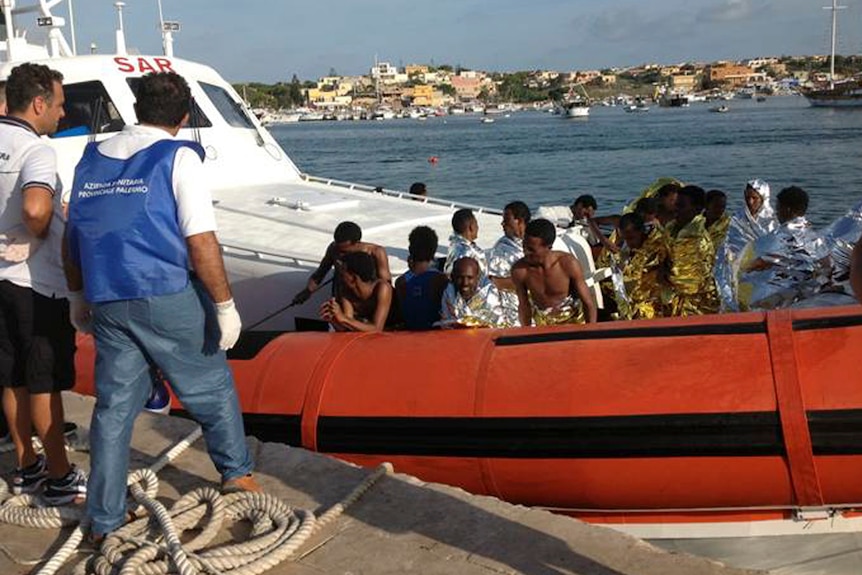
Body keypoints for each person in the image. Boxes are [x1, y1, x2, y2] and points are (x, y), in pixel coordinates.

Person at [64, 72, 259, 540]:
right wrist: (225, 305)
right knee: (210, 384)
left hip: (107, 297)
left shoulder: (89, 160)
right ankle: (236, 473)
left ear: (136, 108)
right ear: (184, 115)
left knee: (113, 409)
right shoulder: (178, 158)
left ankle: (105, 519)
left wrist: (76, 297)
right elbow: (201, 242)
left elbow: (72, 239)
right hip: (164, 292)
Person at [0, 63, 86, 506]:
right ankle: (58, 477)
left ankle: (25, 464)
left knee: (10, 376)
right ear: (37, 104)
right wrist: (34, 231)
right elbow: (36, 209)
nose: (62, 112)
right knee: (42, 381)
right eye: (58, 103)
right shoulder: (37, 150)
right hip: (34, 285)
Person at [737, 186, 832, 310]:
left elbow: (745, 268)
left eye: (777, 208)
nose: (776, 212)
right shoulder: (818, 239)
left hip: (776, 307)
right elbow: (827, 267)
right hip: (811, 302)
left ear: (786, 209)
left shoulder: (771, 241)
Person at [512, 219, 597, 326]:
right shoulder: (520, 271)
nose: (525, 252)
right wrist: (526, 334)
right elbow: (524, 306)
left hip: (574, 322)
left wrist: (591, 331)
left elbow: (588, 302)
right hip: (543, 325)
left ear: (549, 247)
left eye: (531, 249)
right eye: (524, 246)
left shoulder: (568, 264)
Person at [715, 179, 778, 311]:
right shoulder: (737, 219)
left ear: (763, 198)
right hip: (739, 271)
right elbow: (728, 244)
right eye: (747, 197)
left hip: (764, 272)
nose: (750, 202)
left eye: (754, 198)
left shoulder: (773, 221)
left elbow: (775, 250)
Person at [292, 221, 391, 305]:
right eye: (338, 247)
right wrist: (308, 291)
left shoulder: (377, 252)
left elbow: (386, 283)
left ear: (356, 243)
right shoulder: (334, 248)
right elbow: (320, 273)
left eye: (344, 251)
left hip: (366, 304)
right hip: (342, 300)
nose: (340, 253)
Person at [663, 185, 720, 316]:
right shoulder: (671, 228)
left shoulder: (698, 239)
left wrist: (663, 275)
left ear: (697, 209)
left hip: (695, 307)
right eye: (676, 204)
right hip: (674, 301)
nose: (676, 209)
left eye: (681, 206)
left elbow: (688, 282)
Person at [615, 213, 670, 320]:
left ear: (641, 231)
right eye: (626, 239)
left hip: (654, 304)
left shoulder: (656, 248)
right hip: (633, 303)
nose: (629, 242)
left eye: (631, 238)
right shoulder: (629, 249)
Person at [320, 251, 393, 331]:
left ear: (353, 278)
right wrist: (333, 319)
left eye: (342, 273)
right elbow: (348, 327)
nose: (340, 277)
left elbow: (377, 328)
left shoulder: (382, 288)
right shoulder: (346, 292)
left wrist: (343, 318)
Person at [395, 226, 447, 330]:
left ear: (410, 249)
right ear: (434, 250)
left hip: (410, 333)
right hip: (433, 335)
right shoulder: (441, 280)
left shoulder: (400, 282)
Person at [488, 201, 530, 326]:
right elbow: (496, 282)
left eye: (506, 220)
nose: (502, 224)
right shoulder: (501, 249)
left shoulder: (536, 241)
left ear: (520, 221)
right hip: (515, 315)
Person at [438, 257, 510, 328]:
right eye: (460, 278)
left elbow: (496, 327)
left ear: (477, 278)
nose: (465, 283)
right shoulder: (449, 291)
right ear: (452, 278)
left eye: (470, 278)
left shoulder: (489, 294)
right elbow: (446, 323)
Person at [444, 208, 487, 276]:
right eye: (476, 224)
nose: (477, 227)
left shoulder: (454, 245)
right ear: (471, 227)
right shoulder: (467, 253)